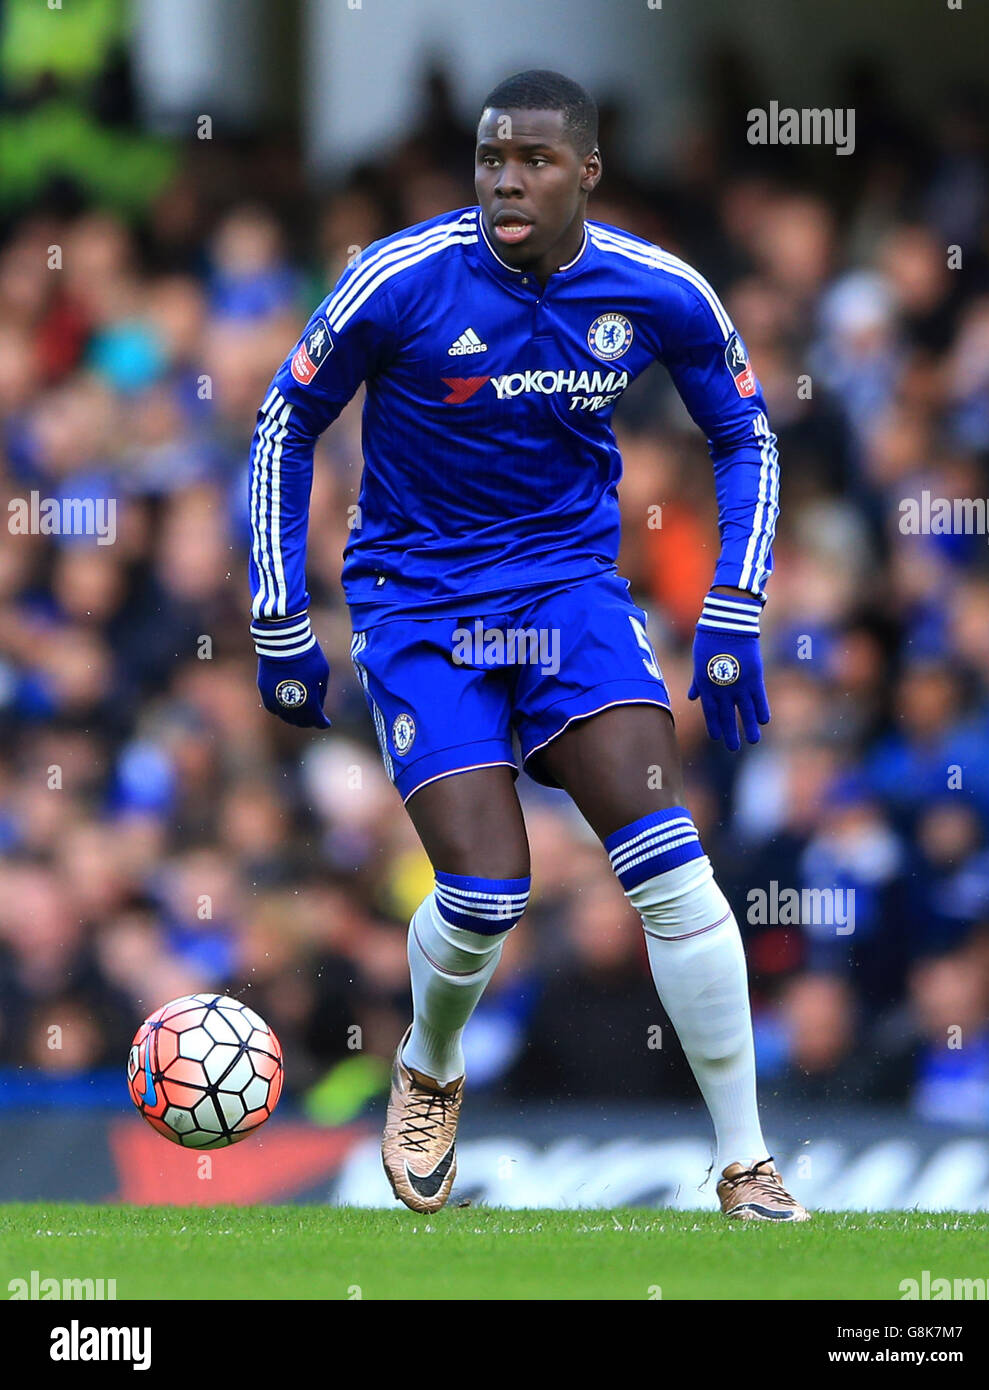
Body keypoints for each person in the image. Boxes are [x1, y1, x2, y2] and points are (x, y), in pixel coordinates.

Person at [248, 70, 804, 1221]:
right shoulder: (398, 277)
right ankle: (432, 1065)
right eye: (492, 156)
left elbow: (744, 427)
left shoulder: (655, 288)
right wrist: (279, 613)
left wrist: (735, 603)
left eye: (535, 160)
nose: (507, 176)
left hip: (570, 596)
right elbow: (283, 421)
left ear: (585, 173)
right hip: (418, 603)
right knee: (489, 892)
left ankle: (744, 1165)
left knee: (674, 870)